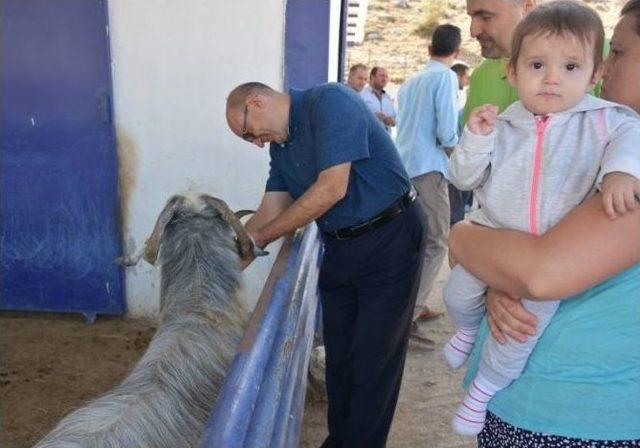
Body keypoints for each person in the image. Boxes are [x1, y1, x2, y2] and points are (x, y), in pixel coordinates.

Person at [447, 1, 640, 444]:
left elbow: (539, 272)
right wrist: (497, 268)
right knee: (463, 295)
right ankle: (468, 337)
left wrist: (465, 238)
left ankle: (482, 384)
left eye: (620, 53)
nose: (608, 66)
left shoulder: (621, 147)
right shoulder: (531, 121)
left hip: (580, 416)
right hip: (536, 405)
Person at [225, 82, 426, 447]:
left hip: (390, 237)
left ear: (255, 102)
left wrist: (264, 237)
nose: (255, 142)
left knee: (372, 363)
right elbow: (269, 211)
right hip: (341, 247)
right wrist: (224, 268)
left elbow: (332, 187)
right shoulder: (281, 149)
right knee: (341, 360)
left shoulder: (329, 102)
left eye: (247, 132)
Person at [395, 24, 461, 338]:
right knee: (437, 241)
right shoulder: (445, 77)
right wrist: (462, 160)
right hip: (429, 168)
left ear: (429, 48)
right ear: (457, 52)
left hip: (405, 169)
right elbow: (446, 130)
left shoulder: (410, 82)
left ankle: (412, 305)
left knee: (416, 243)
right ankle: (411, 312)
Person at [449, 62, 472, 227]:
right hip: (453, 153)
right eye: (466, 76)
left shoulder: (456, 98)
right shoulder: (450, 97)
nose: (468, 80)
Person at [360, 66, 397, 133]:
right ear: (372, 77)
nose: (384, 79)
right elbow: (357, 117)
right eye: (382, 76)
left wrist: (391, 120)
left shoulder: (388, 98)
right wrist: (374, 116)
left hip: (385, 139)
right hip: (369, 139)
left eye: (386, 76)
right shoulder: (362, 95)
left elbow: (395, 121)